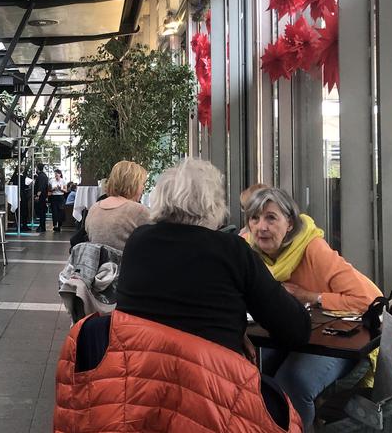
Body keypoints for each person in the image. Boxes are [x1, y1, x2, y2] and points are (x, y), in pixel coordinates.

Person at [55, 158, 310, 432]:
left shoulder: (139, 242)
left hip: (135, 394)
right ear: (214, 205)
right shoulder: (232, 251)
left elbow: (166, 319)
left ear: (162, 198)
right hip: (210, 401)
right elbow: (294, 329)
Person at [244, 187, 382, 428]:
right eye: (254, 218)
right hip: (287, 332)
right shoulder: (248, 249)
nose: (261, 227)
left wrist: (312, 296)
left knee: (293, 381)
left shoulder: (312, 248)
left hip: (337, 337)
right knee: (249, 371)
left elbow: (367, 299)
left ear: (289, 223)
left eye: (270, 218)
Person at [83, 160, 150, 251]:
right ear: (133, 184)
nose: (143, 188)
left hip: (96, 264)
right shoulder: (139, 210)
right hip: (126, 264)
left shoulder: (94, 208)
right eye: (142, 184)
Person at [34, 163, 49, 232]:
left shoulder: (41, 176)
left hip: (41, 197)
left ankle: (42, 227)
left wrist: (37, 195)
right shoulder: (43, 176)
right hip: (43, 197)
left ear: (38, 168)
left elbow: (41, 187)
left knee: (41, 212)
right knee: (42, 212)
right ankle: (42, 226)